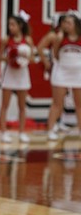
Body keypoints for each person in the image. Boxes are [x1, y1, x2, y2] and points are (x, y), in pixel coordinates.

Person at [0, 10, 34, 143]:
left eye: (13, 24)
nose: (10, 27)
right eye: (9, 25)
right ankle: (3, 132)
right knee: (4, 105)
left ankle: (21, 132)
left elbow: (32, 59)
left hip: (22, 75)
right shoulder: (6, 40)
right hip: (9, 74)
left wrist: (24, 58)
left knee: (22, 106)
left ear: (20, 25)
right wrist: (10, 58)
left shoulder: (28, 40)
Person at [47, 12, 81, 140]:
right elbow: (55, 54)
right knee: (57, 103)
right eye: (64, 22)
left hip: (78, 74)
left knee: (79, 104)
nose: (65, 25)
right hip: (62, 72)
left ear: (76, 24)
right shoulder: (59, 37)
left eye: (69, 22)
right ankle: (50, 130)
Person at [37, 14, 71, 137]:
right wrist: (46, 62)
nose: (68, 25)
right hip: (57, 69)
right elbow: (40, 47)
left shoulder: (71, 36)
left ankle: (59, 121)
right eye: (66, 22)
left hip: (68, 70)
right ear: (60, 23)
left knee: (63, 98)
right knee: (57, 100)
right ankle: (50, 128)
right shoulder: (53, 35)